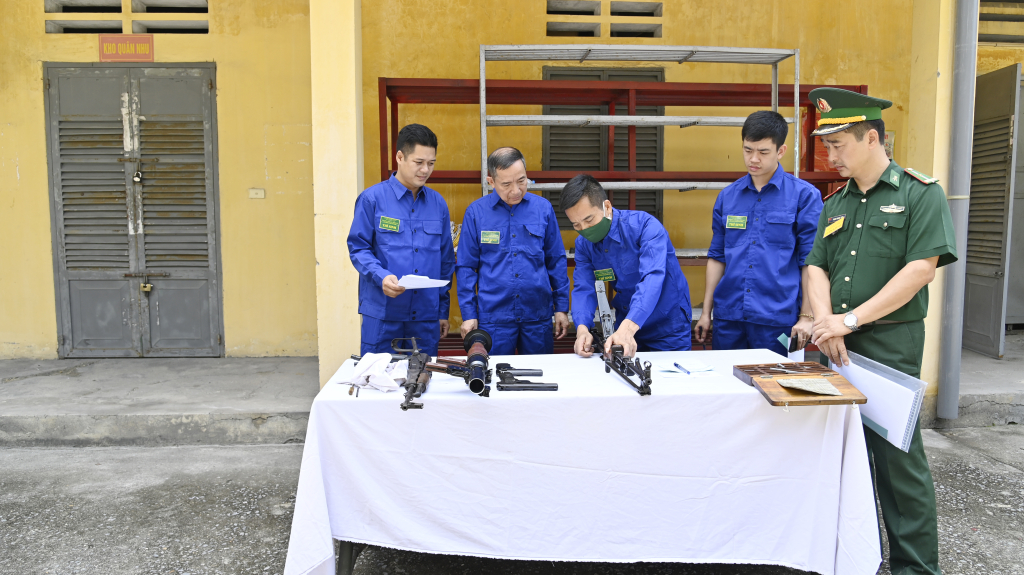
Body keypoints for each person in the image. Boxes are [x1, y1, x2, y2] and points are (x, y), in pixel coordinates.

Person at [805, 87, 956, 575]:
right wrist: (828, 325)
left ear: (872, 138)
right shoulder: (836, 203)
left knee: (897, 460)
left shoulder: (920, 193)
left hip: (889, 342)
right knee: (842, 453)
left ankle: (915, 568)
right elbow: (816, 269)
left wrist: (849, 321)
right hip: (838, 346)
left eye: (839, 144)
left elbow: (920, 270)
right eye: (826, 145)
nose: (830, 155)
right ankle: (851, 557)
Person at [695, 111, 822, 355]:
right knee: (729, 388)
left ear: (780, 151)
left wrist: (807, 315)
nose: (754, 159)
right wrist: (706, 312)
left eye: (763, 152)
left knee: (775, 388)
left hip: (777, 318)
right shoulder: (728, 197)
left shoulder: (804, 196)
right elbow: (717, 256)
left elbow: (811, 262)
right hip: (729, 316)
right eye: (747, 150)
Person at [347, 124, 455, 356]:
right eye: (419, 162)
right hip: (383, 314)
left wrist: (442, 310)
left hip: (426, 317)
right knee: (378, 381)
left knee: (423, 381)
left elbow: (446, 261)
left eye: (431, 163)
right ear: (400, 157)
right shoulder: (372, 200)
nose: (425, 170)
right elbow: (358, 248)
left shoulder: (438, 205)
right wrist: (382, 276)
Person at [456, 147, 570, 354]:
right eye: (506, 184)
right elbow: (466, 267)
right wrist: (468, 313)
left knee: (539, 377)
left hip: (537, 316)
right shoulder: (476, 213)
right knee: (494, 377)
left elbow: (556, 260)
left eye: (522, 181)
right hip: (494, 318)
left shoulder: (543, 209)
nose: (516, 190)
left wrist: (561, 308)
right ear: (491, 182)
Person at [563, 174, 692, 357]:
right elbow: (584, 287)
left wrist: (629, 327)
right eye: (576, 224)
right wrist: (582, 329)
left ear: (606, 206)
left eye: (589, 220)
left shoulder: (646, 227)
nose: (584, 229)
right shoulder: (584, 246)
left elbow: (652, 278)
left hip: (667, 325)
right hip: (625, 326)